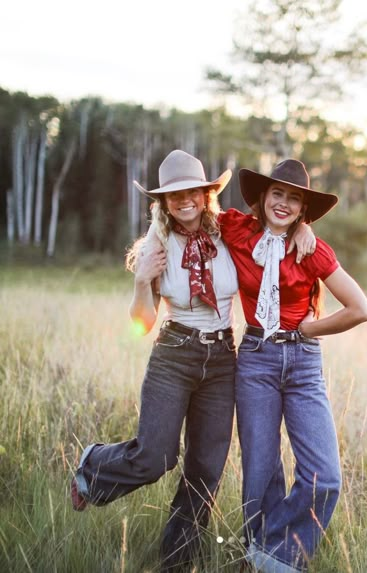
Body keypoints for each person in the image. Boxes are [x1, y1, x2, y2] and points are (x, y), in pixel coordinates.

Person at [70, 150, 239, 571]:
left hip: (222, 359)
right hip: (174, 355)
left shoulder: (229, 235)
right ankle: (93, 468)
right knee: (157, 457)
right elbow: (142, 324)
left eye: (192, 192)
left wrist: (306, 229)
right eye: (173, 194)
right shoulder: (156, 244)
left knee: (205, 470)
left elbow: (279, 227)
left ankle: (178, 562)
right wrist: (141, 280)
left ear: (205, 195)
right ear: (163, 201)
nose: (184, 200)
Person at [218, 159, 367, 572]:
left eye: (294, 198)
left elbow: (360, 308)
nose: (283, 203)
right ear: (263, 198)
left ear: (304, 208)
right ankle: (266, 560)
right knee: (261, 470)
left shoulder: (312, 249)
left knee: (325, 476)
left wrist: (311, 328)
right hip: (255, 359)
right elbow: (195, 213)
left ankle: (273, 549)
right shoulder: (237, 230)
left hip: (302, 362)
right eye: (277, 193)